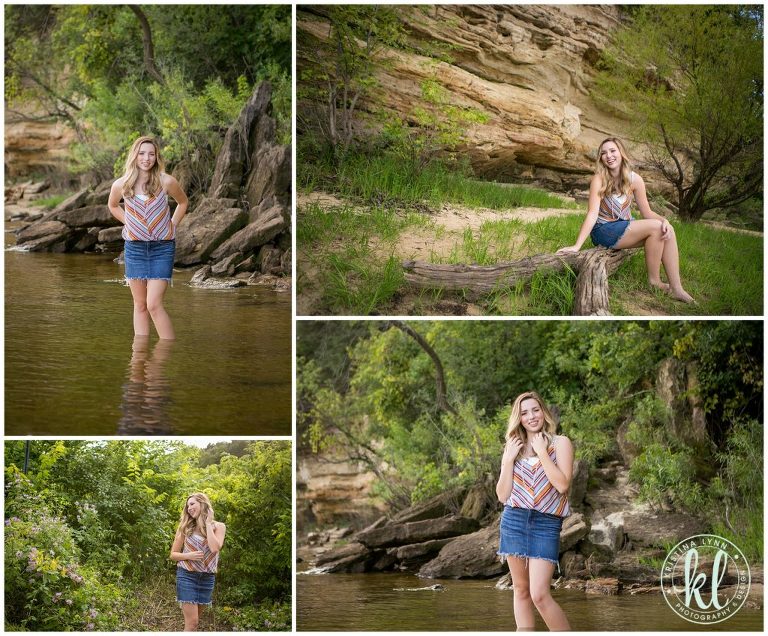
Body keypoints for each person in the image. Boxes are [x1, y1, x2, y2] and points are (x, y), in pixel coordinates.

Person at [557, 137, 694, 303]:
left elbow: (647, 212)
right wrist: (576, 246)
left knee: (666, 230)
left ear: (621, 153)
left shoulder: (635, 180)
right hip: (603, 230)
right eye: (604, 153)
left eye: (613, 151)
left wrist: (666, 220)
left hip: (625, 226)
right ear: (601, 158)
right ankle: (654, 281)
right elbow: (592, 214)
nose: (609, 156)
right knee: (657, 228)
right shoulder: (599, 179)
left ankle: (677, 289)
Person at [496, 391, 573, 631]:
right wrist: (508, 460)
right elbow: (502, 495)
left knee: (539, 594)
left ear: (544, 412)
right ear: (518, 418)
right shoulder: (512, 447)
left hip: (546, 523)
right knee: (520, 590)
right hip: (514, 520)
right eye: (524, 412)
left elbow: (562, 485)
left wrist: (541, 451)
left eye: (535, 410)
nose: (531, 416)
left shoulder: (561, 443)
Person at [108, 136, 189, 339]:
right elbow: (112, 205)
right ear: (134, 156)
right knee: (140, 305)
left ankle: (165, 354)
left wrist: (172, 225)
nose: (146, 158)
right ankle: (140, 356)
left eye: (151, 154)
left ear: (156, 157)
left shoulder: (166, 181)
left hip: (162, 248)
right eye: (142, 153)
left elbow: (183, 203)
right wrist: (129, 222)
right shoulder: (122, 185)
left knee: (153, 304)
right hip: (134, 249)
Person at [170, 493, 227, 632]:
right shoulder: (185, 527)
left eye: (192, 504)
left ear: (203, 504)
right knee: (192, 623)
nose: (189, 508)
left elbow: (214, 548)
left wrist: (207, 523)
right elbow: (173, 555)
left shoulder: (218, 526)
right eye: (187, 505)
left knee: (194, 624)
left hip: (207, 579)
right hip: (187, 576)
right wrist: (189, 555)